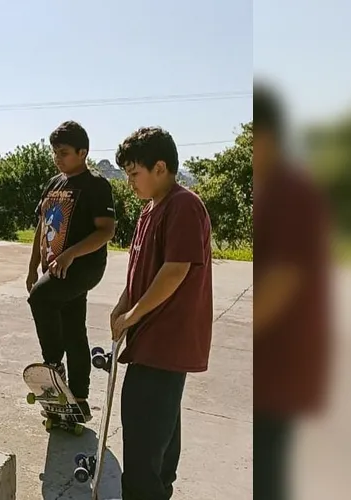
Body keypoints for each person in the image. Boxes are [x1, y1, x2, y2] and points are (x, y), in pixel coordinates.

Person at [110, 126, 213, 500]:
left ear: (159, 167)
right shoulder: (149, 211)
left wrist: (134, 315)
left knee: (143, 443)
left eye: (134, 174)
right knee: (159, 435)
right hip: (148, 342)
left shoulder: (184, 205)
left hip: (166, 341)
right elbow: (141, 272)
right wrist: (124, 305)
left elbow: (175, 270)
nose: (130, 183)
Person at [252, 83, 331, 500]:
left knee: (268, 474)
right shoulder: (275, 189)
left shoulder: (290, 192)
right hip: (275, 365)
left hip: (282, 364)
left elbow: (283, 279)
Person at [26, 121, 116, 421]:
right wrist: (32, 267)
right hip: (55, 266)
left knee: (41, 299)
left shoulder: (96, 186)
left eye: (63, 152)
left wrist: (70, 255)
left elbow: (106, 231)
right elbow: (42, 225)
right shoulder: (54, 183)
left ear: (83, 152)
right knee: (75, 328)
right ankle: (79, 397)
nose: (57, 158)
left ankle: (53, 365)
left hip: (84, 266)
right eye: (54, 152)